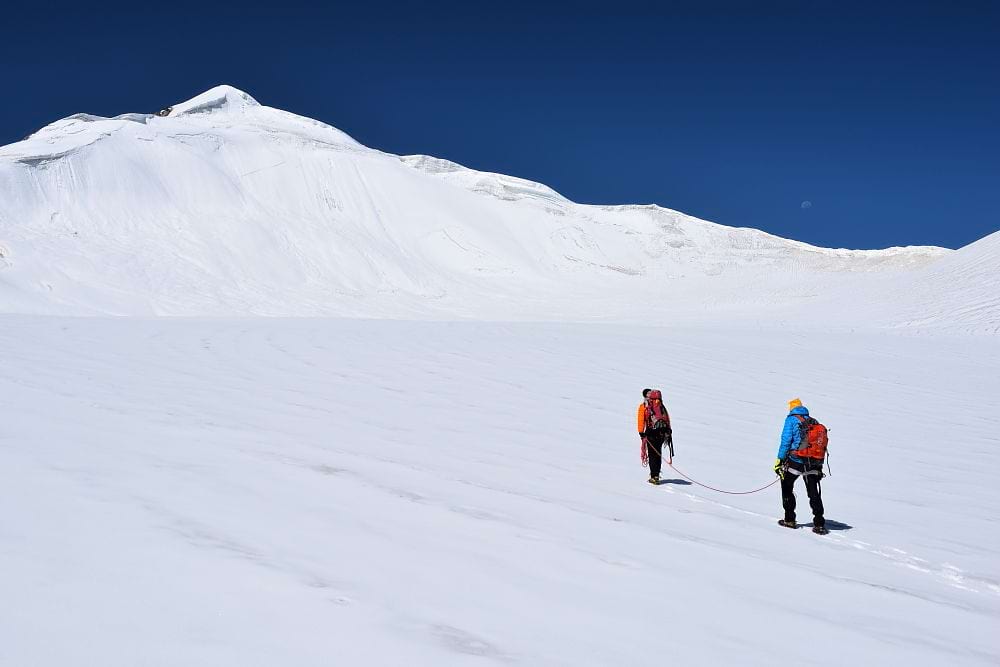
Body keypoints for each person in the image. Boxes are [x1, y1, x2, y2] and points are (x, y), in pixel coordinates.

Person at [774, 398, 828, 534]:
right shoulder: (813, 421)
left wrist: (779, 459)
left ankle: (789, 519)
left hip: (796, 460)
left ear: (791, 408)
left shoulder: (791, 420)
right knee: (813, 491)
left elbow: (786, 440)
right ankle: (819, 523)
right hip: (814, 462)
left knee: (786, 486)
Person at [638, 388, 672, 484]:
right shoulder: (660, 405)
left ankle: (654, 476)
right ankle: (656, 474)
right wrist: (668, 430)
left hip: (651, 432)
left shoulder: (644, 406)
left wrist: (641, 433)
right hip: (662, 433)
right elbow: (667, 418)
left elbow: (641, 420)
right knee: (658, 453)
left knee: (652, 454)